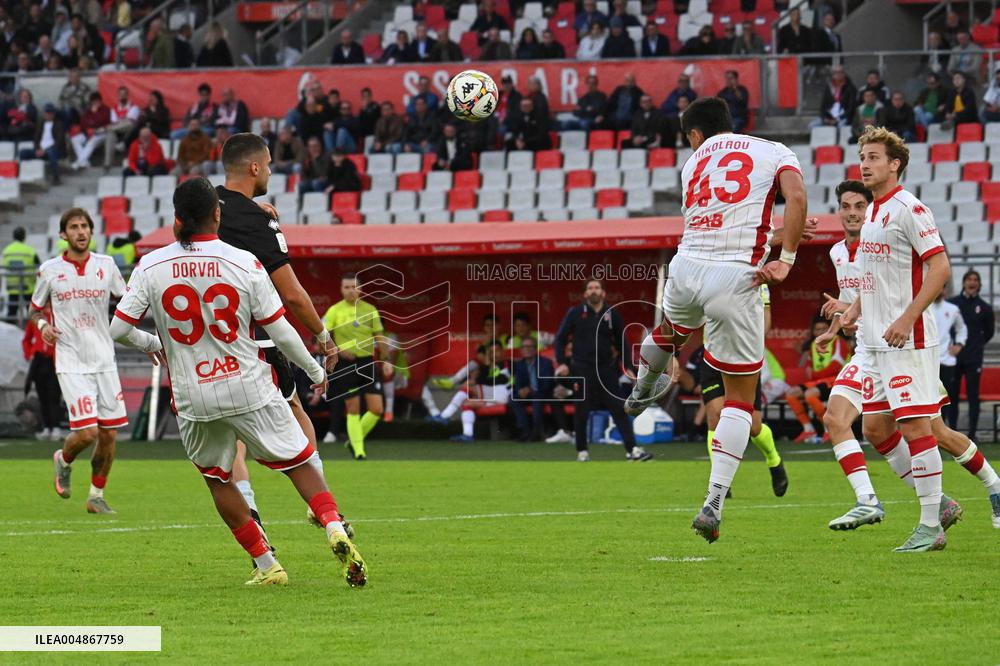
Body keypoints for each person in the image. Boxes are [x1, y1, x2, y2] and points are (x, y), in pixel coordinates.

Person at [110, 178, 366, 587]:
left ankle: (267, 566)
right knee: (298, 461)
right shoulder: (244, 262)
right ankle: (333, 524)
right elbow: (280, 330)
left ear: (176, 219)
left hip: (193, 395)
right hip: (247, 383)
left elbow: (118, 330)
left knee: (217, 477)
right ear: (217, 213)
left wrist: (151, 343)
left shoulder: (151, 265)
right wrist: (316, 372)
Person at [624, 97, 807, 542]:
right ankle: (713, 502)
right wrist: (787, 256)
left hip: (686, 267)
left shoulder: (691, 166)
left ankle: (644, 383)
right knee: (739, 400)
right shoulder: (775, 150)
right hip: (736, 278)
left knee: (669, 332)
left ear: (694, 135)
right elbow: (795, 197)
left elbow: (725, 221)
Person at [820, 180, 1000, 531]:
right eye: (846, 206)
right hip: (868, 350)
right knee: (861, 425)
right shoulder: (838, 253)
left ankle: (989, 487)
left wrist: (888, 315)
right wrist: (836, 325)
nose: (853, 213)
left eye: (859, 205)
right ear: (838, 210)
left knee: (934, 431)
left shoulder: (893, 223)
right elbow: (858, 304)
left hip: (903, 344)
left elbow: (929, 271)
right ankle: (874, 501)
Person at [215, 133, 344, 540]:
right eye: (268, 164)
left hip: (204, 343)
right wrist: (323, 336)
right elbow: (291, 294)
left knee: (228, 433)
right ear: (255, 167)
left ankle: (250, 508)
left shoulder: (203, 205)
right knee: (295, 413)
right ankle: (321, 506)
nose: (270, 170)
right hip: (254, 338)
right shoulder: (258, 220)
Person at [837, 127, 956, 551]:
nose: (864, 164)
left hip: (910, 338)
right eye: (862, 157)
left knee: (916, 425)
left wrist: (907, 318)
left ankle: (930, 525)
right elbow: (873, 279)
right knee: (874, 426)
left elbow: (940, 268)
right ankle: (940, 506)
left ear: (894, 164)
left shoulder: (910, 208)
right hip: (878, 342)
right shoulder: (873, 213)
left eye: (872, 157)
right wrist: (853, 310)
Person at [31, 208, 128, 515]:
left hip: (104, 359)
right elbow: (34, 310)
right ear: (63, 234)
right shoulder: (49, 270)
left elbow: (127, 301)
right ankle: (64, 458)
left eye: (85, 226)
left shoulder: (107, 265)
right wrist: (43, 326)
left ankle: (96, 496)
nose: (80, 231)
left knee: (110, 433)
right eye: (73, 227)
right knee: (88, 433)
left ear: (91, 231)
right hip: (71, 360)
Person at [700, 284, 788, 497]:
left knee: (753, 426)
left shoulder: (758, 281)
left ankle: (774, 461)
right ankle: (720, 482)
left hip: (743, 355)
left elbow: (765, 317)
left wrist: (753, 341)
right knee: (715, 416)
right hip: (713, 355)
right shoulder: (708, 276)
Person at [555, 279, 653, 462]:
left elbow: (622, 343)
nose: (594, 291)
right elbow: (560, 338)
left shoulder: (612, 314)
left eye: (597, 288)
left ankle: (632, 450)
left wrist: (628, 367)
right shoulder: (575, 313)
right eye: (590, 288)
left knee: (619, 409)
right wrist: (562, 362)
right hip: (581, 368)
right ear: (585, 294)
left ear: (603, 293)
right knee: (581, 411)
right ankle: (582, 451)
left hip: (606, 369)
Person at [324, 273, 391, 459]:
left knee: (377, 409)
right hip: (346, 364)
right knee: (353, 407)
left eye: (353, 287)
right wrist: (337, 350)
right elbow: (322, 337)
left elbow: (380, 337)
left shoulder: (370, 310)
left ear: (360, 289)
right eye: (346, 287)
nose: (350, 290)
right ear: (341, 289)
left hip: (367, 361)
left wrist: (386, 361)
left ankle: (353, 440)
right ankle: (359, 451)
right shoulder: (334, 311)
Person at [784, 316, 850, 443]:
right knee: (791, 394)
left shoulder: (838, 342)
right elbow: (809, 368)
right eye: (818, 329)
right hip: (819, 381)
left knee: (810, 394)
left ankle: (828, 429)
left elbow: (836, 367)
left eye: (824, 329)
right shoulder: (814, 345)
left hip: (838, 380)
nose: (820, 332)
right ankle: (808, 429)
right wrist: (814, 374)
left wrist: (815, 374)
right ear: (813, 332)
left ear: (831, 329)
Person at [947, 270, 995, 439]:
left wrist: (976, 345)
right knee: (952, 395)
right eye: (969, 279)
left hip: (974, 358)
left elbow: (989, 332)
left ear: (979, 284)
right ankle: (951, 432)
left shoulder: (985, 308)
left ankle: (972, 433)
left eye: (975, 279)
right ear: (964, 282)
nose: (972, 282)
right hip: (953, 358)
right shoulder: (952, 305)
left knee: (973, 395)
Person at [432, 340, 510, 443]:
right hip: (493, 396)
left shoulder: (507, 363)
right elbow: (482, 379)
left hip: (504, 394)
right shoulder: (489, 367)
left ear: (502, 351)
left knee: (468, 388)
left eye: (497, 350)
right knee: (467, 404)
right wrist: (486, 366)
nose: (494, 354)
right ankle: (468, 435)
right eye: (491, 352)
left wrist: (476, 381)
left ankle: (445, 416)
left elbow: (501, 379)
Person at [22, 311, 61, 441]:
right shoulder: (36, 319)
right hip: (39, 360)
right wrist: (29, 354)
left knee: (54, 395)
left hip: (53, 360)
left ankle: (56, 427)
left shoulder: (59, 316)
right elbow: (26, 339)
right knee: (42, 395)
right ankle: (46, 427)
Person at [933, 291, 967, 412]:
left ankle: (945, 428)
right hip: (928, 362)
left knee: (946, 398)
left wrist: (959, 344)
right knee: (930, 399)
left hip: (947, 361)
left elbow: (962, 328)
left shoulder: (952, 309)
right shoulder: (922, 309)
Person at [19, 102, 64, 184]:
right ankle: (24, 174)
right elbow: (36, 139)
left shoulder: (59, 124)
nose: (48, 115)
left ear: (53, 114)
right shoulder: (41, 123)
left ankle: (56, 177)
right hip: (40, 150)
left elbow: (59, 142)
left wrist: (45, 150)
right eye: (46, 113)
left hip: (52, 150)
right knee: (23, 153)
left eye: (50, 113)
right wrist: (37, 149)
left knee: (51, 152)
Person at [3, 227, 40, 320]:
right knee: (31, 311)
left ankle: (11, 326)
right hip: (27, 285)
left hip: (12, 285)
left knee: (12, 310)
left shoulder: (6, 250)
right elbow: (39, 264)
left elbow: (3, 265)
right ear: (24, 237)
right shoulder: (29, 250)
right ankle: (31, 328)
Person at [106, 86, 140, 168]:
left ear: (127, 95)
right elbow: (114, 122)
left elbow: (131, 121)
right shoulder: (114, 108)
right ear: (118, 95)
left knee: (130, 124)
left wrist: (119, 122)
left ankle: (122, 143)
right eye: (120, 94)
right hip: (118, 131)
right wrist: (122, 121)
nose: (122, 96)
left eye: (124, 94)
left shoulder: (134, 107)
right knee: (110, 134)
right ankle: (107, 163)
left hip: (130, 131)